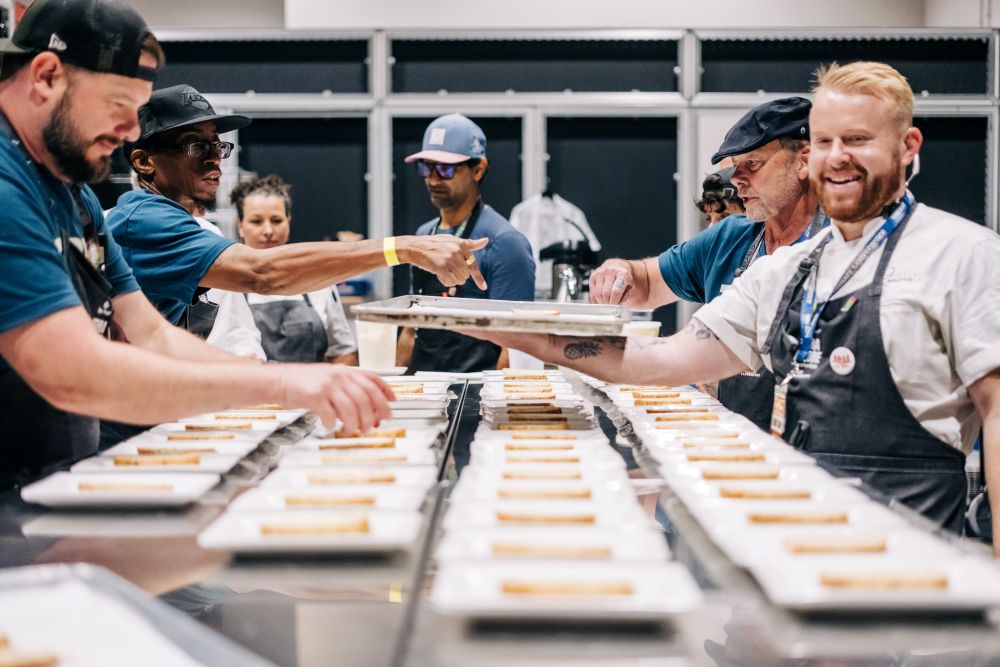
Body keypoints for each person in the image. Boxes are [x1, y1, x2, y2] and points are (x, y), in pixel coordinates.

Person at [472, 61, 1000, 542]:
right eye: (825, 141)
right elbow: (655, 363)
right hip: (795, 543)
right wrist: (497, 325)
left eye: (857, 139)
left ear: (908, 146)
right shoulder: (793, 267)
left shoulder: (963, 255)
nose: (837, 157)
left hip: (918, 572)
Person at [0, 0, 393, 489]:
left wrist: (287, 384)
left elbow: (153, 335)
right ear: (45, 76)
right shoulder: (6, 188)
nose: (127, 131)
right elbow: (69, 370)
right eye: (119, 106)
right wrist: (284, 383)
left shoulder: (72, 193)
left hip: (54, 480)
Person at [588, 97, 825, 431]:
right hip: (732, 448)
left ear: (804, 161)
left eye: (753, 164)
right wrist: (621, 270)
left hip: (813, 458)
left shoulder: (837, 245)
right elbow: (647, 283)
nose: (737, 178)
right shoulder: (730, 238)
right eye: (735, 166)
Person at [396, 113, 535, 373]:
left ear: (478, 169)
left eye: (446, 169)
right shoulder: (424, 235)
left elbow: (515, 344)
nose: (433, 179)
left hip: (477, 395)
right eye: (426, 167)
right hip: (425, 391)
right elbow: (410, 327)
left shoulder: (506, 244)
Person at [231, 174, 358, 365]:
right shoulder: (227, 284)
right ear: (240, 226)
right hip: (250, 392)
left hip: (310, 392)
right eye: (256, 221)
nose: (268, 231)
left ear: (288, 221)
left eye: (276, 220)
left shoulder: (317, 280)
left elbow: (343, 353)